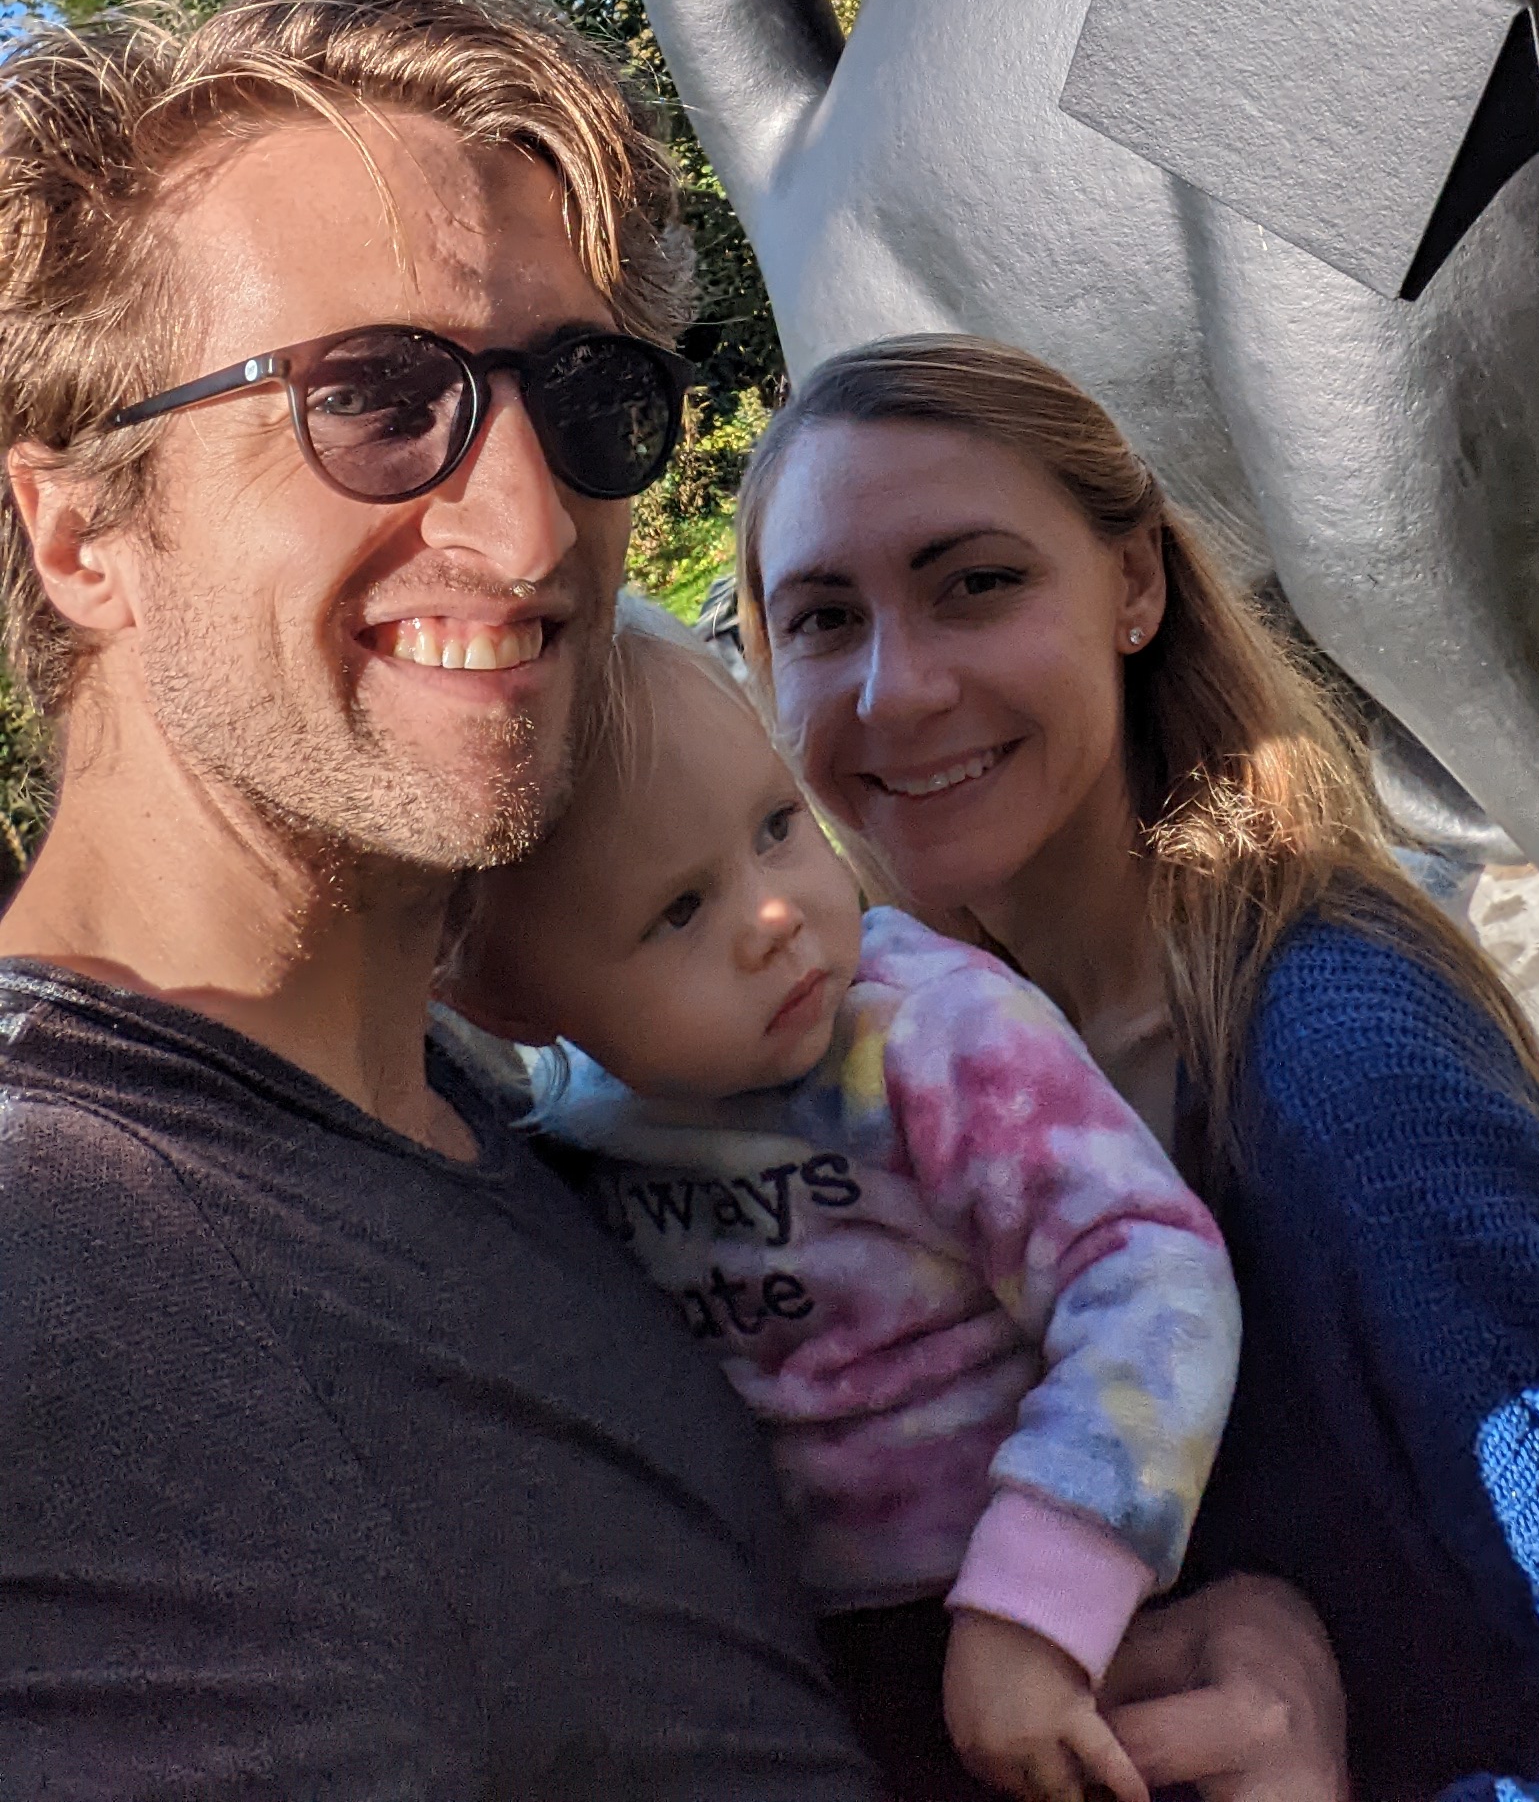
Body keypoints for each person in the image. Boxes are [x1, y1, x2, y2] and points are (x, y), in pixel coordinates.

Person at [0, 0, 1345, 1801]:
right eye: (376, 396)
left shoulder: (552, 1127)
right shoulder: (56, 1237)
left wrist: (1242, 1665)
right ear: (80, 532)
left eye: (585, 396)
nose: (536, 522)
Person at [734, 333, 1539, 1802]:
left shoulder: (1341, 1081)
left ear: (1135, 588)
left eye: (976, 582)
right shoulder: (929, 1077)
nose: (897, 688)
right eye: (820, 618)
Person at [445, 599, 1242, 1802]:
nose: (774, 917)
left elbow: (1149, 1274)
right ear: (512, 1003)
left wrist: (1042, 1603)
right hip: (808, 1657)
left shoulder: (931, 1035)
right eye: (678, 910)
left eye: (776, 827)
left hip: (1064, 1600)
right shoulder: (568, 1129)